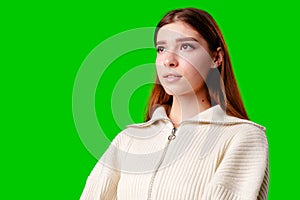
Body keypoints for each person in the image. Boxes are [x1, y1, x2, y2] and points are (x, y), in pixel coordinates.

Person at [80, 8, 269, 200]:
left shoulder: (243, 137)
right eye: (161, 49)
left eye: (186, 46)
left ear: (216, 58)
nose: (169, 60)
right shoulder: (129, 139)